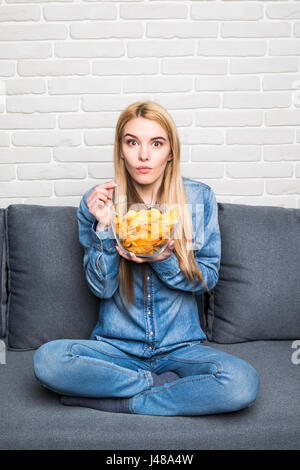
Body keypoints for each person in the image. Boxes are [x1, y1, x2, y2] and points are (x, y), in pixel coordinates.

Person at [33, 101, 260, 416]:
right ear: (121, 150)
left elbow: (206, 279)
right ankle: (156, 384)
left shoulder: (197, 198)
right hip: (116, 349)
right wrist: (104, 228)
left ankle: (123, 399)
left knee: (241, 382)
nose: (143, 155)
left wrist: (162, 259)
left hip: (180, 349)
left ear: (170, 152)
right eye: (132, 142)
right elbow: (101, 288)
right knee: (48, 360)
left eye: (156, 143)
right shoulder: (99, 202)